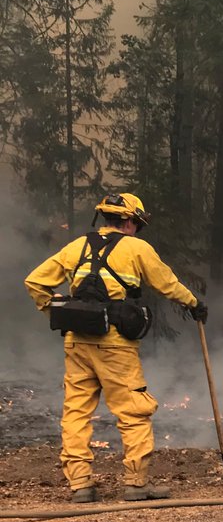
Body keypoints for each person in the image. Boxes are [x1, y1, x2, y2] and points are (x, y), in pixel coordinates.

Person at [24, 193, 206, 502]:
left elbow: (35, 282)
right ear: (130, 221)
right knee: (133, 410)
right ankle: (136, 484)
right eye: (138, 223)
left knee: (76, 413)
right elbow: (167, 283)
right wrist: (194, 303)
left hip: (77, 342)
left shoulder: (76, 247)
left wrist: (57, 311)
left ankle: (80, 485)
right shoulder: (137, 248)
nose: (138, 229)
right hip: (115, 345)